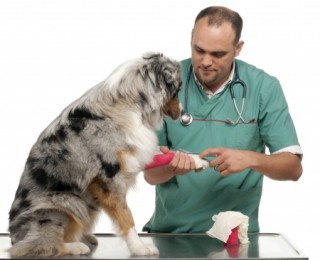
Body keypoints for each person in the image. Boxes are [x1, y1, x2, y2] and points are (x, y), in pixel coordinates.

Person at [143, 6, 303, 233]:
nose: (206, 61)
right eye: (199, 50)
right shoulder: (163, 85)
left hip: (234, 238)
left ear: (238, 48)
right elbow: (150, 174)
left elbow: (293, 168)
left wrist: (250, 159)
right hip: (171, 233)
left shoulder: (264, 88)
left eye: (218, 54)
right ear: (191, 38)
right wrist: (171, 168)